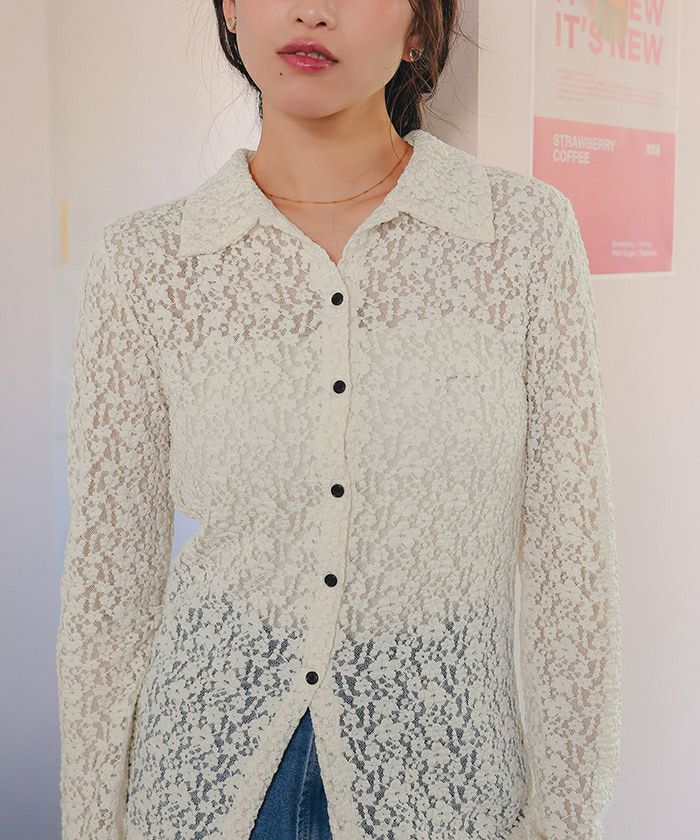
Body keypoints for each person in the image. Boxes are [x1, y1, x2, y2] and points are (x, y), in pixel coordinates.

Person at [56, 1, 623, 839]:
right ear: (231, 10)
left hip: (444, 785)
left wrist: (567, 819)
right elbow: (110, 582)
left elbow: (570, 558)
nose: (310, 10)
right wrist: (91, 821)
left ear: (420, 27)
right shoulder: (147, 263)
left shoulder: (521, 237)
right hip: (202, 785)